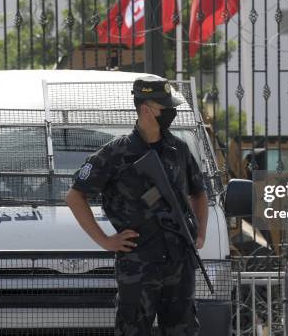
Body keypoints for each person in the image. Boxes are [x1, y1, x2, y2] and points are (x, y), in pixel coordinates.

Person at [65, 75, 208, 336]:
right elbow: (75, 197)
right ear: (146, 109)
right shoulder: (116, 153)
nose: (171, 112)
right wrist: (106, 240)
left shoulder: (179, 149)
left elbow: (199, 193)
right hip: (139, 264)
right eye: (166, 107)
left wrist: (199, 234)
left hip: (179, 261)